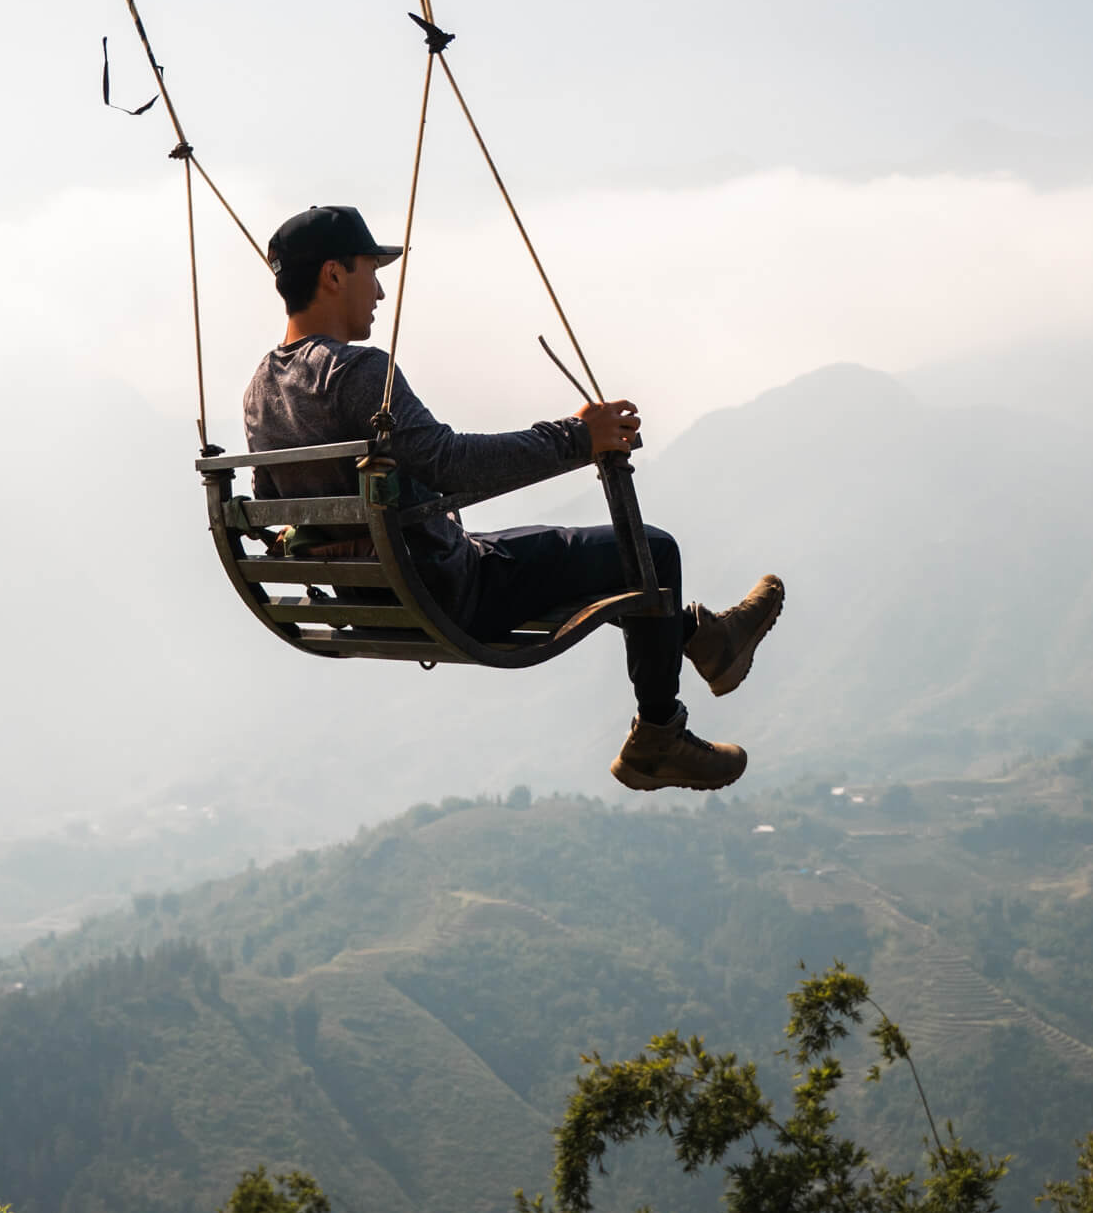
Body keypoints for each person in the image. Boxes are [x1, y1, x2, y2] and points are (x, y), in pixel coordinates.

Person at [243, 202, 784, 794]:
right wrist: (580, 437)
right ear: (333, 274)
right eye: (372, 269)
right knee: (652, 551)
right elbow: (453, 463)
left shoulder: (259, 392)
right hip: (451, 588)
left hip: (385, 593)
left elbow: (278, 507)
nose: (379, 291)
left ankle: (709, 640)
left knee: (585, 555)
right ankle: (659, 735)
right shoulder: (357, 372)